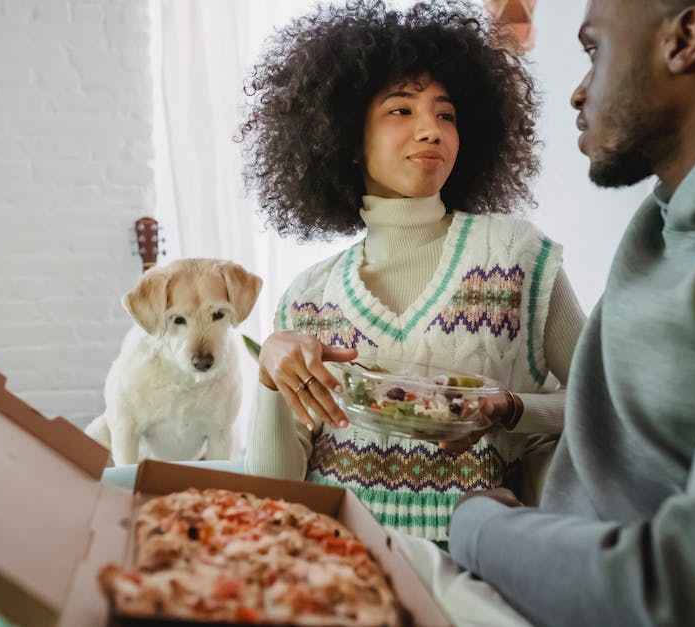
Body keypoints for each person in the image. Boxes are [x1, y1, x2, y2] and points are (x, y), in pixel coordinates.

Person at [448, 0, 695, 625]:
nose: (578, 93)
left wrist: (481, 527)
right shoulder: (667, 221)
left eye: (594, 49)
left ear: (684, 38)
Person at [240, 0, 586, 543]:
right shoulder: (307, 296)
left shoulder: (518, 254)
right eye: (401, 110)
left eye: (445, 114)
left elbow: (606, 400)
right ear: (348, 138)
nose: (431, 130)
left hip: (480, 561)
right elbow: (274, 495)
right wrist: (269, 376)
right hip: (340, 565)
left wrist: (510, 409)